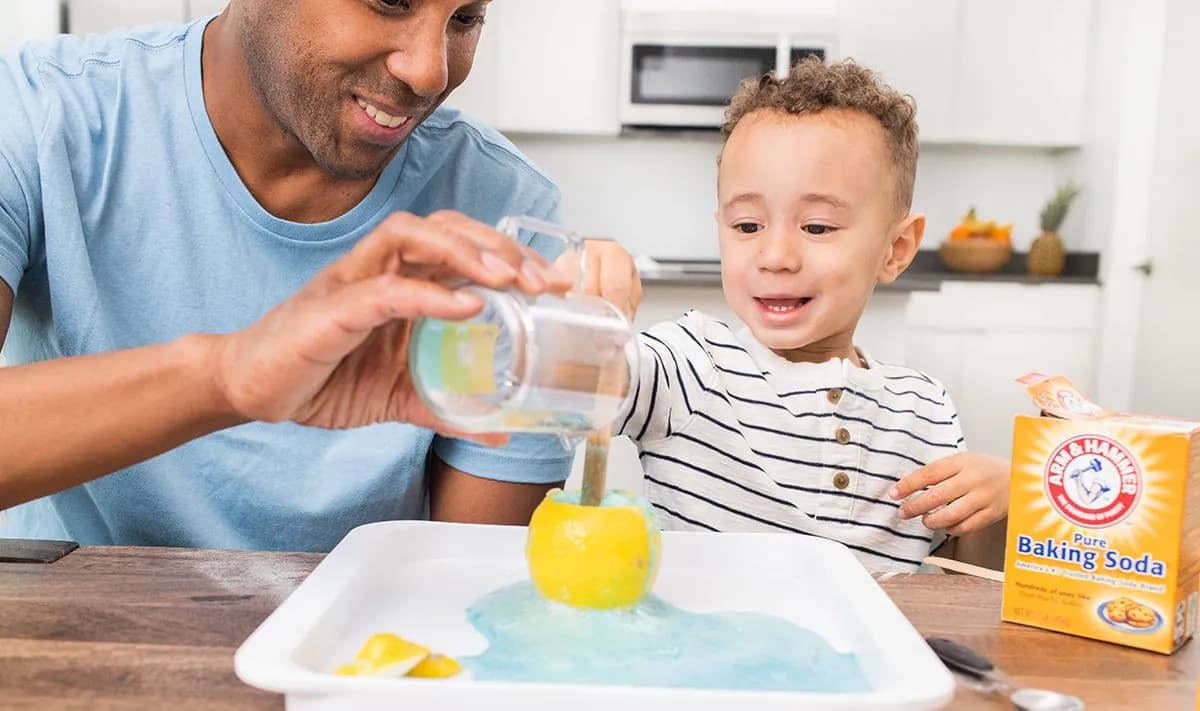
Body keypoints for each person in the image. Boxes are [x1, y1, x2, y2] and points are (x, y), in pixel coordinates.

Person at [0, 0, 640, 551]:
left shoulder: (501, 213)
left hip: (353, 644)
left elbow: (470, 577)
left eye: (465, 18)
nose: (430, 71)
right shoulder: (38, 113)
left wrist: (567, 375)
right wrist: (230, 376)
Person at [614, 58, 1008, 572]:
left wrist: (1008, 503)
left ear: (895, 249)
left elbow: (962, 582)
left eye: (817, 227)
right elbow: (573, 379)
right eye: (747, 226)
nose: (775, 256)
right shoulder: (686, 367)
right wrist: (581, 305)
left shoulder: (924, 409)